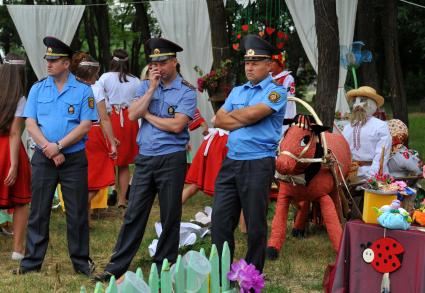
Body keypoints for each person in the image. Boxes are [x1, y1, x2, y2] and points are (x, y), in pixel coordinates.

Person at [95, 37, 196, 281]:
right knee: (134, 214)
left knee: (170, 214)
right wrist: (151, 89)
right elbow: (132, 115)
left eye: (162, 62)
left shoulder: (187, 91)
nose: (157, 68)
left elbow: (176, 126)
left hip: (171, 159)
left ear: (174, 62)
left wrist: (149, 116)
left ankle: (164, 265)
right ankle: (115, 268)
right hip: (146, 158)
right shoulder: (144, 87)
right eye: (154, 63)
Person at [15, 37, 98, 276]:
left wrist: (59, 146)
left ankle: (81, 263)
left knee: (77, 212)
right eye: (47, 60)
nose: (49, 64)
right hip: (43, 158)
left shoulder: (83, 90)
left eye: (54, 60)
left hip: (73, 158)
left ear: (66, 63)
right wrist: (48, 148)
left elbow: (84, 125)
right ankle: (31, 263)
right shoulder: (38, 88)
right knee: (39, 211)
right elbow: (30, 123)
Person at [211, 34, 287, 273]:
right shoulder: (237, 90)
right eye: (247, 62)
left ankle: (252, 275)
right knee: (220, 221)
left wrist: (235, 117)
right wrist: (240, 117)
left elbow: (251, 115)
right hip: (231, 161)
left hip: (257, 163)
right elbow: (217, 119)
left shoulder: (276, 92)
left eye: (256, 62)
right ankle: (222, 272)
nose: (250, 67)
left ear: (269, 65)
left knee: (254, 224)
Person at [70, 52, 117, 218]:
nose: (97, 76)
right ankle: (81, 210)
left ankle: (84, 215)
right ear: (90, 72)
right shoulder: (95, 88)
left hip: (72, 134)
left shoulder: (68, 85)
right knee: (99, 177)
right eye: (96, 73)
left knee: (83, 177)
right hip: (93, 133)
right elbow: (104, 118)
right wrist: (111, 142)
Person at [97, 49, 140, 208]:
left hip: (111, 118)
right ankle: (122, 199)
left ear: (112, 62)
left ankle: (110, 193)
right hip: (129, 119)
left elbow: (99, 100)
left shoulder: (105, 78)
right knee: (124, 163)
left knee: (108, 159)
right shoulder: (135, 80)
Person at [0, 53, 31, 261]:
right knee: (20, 201)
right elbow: (14, 132)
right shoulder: (20, 97)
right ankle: (18, 250)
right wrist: (14, 164)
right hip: (9, 151)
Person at [342, 86, 392, 179]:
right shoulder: (347, 127)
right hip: (350, 174)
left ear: (372, 104)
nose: (357, 105)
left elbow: (382, 154)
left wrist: (372, 175)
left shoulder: (380, 126)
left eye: (362, 100)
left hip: (373, 176)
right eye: (355, 101)